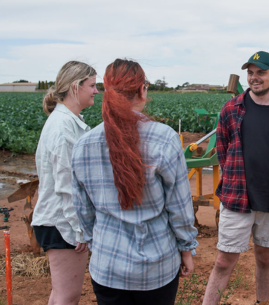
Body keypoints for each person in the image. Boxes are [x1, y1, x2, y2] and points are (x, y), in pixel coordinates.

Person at [71, 58, 198, 305]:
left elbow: (83, 211)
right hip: (156, 267)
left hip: (107, 268)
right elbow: (180, 208)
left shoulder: (83, 145)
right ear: (142, 90)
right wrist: (186, 248)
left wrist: (96, 244)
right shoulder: (164, 139)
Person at [202, 51, 269, 305]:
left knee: (266, 258)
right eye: (250, 73)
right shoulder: (231, 109)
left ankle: (262, 302)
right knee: (224, 261)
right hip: (237, 199)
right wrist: (236, 179)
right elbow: (223, 152)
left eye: (261, 72)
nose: (254, 78)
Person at [31, 61, 97, 304]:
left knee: (62, 294)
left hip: (58, 221)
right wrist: (79, 229)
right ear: (75, 87)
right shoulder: (63, 127)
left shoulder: (67, 121)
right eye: (92, 85)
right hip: (61, 223)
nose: (96, 91)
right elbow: (67, 185)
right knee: (68, 296)